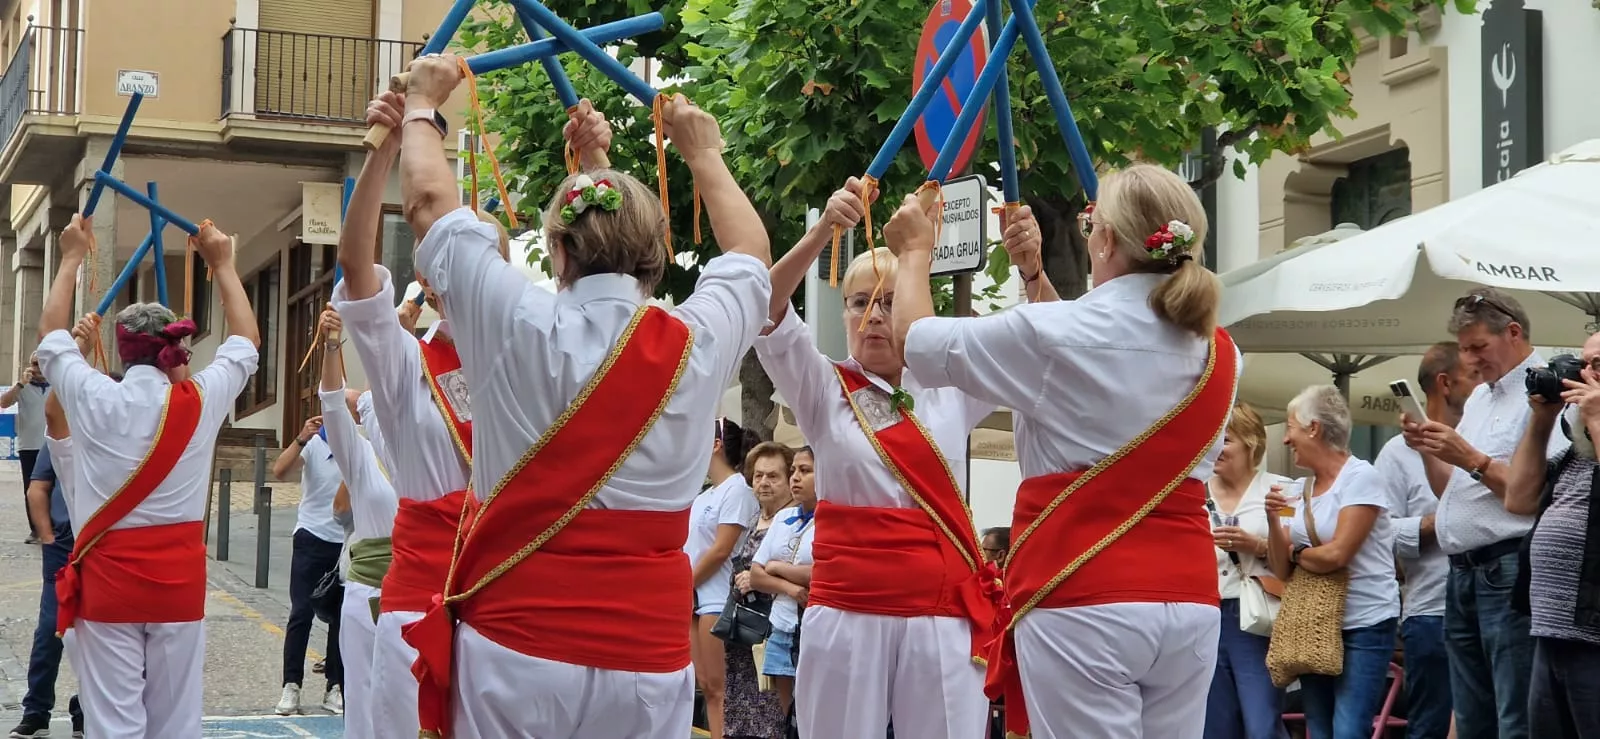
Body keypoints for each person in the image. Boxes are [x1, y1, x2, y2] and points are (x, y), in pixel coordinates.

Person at [394, 52, 772, 738]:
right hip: (648, 657)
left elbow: (426, 202)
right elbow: (750, 251)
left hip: (517, 640)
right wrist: (703, 153)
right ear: (656, 256)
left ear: (559, 255)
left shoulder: (515, 320)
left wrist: (422, 105)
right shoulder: (696, 339)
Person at [887, 164, 1239, 738]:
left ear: (1103, 239)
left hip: (1083, 587)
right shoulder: (1222, 350)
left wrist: (914, 254)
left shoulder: (1059, 332)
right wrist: (1034, 275)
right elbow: (1074, 359)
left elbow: (914, 343)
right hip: (1190, 595)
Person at [752, 178, 1007, 739]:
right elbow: (766, 309)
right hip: (847, 607)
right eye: (860, 302)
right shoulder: (823, 387)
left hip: (939, 610)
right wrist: (823, 231)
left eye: (889, 302)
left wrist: (1031, 271)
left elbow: (1041, 351)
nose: (872, 315)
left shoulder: (952, 383)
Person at [335, 85, 520, 739]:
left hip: (508, 600)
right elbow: (356, 269)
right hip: (416, 600)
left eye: (490, 261)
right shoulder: (407, 361)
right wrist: (383, 151)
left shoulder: (534, 355)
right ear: (435, 279)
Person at [39, 215, 258, 738]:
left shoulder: (95, 396)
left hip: (108, 586)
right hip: (178, 588)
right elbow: (246, 341)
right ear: (176, 352)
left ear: (119, 350)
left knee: (114, 724)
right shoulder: (198, 400)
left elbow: (50, 339)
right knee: (176, 722)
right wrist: (223, 263)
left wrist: (71, 257)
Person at [1403, 288, 1553, 739]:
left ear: (1513, 332)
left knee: (1514, 715)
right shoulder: (1482, 398)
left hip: (1507, 566)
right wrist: (1432, 448)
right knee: (1470, 717)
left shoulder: (1545, 391)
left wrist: (1469, 456)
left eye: (1477, 347)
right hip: (1465, 571)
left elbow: (1539, 491)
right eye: (1464, 349)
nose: (1468, 360)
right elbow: (1453, 492)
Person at [1264, 386, 1399, 739]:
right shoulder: (1294, 491)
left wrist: (1296, 554)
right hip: (1313, 622)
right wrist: (1272, 521)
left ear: (1313, 428)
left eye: (1290, 427)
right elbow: (1280, 570)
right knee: (1320, 729)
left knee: (1349, 729)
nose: (1285, 440)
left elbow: (1337, 555)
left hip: (1365, 622)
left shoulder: (1361, 477)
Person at [1375, 343, 1476, 739]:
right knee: (1431, 724)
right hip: (1431, 609)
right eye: (1474, 375)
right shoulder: (1396, 453)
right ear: (1446, 384)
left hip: (1489, 604)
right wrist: (1441, 522)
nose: (1485, 379)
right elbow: (1380, 534)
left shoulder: (1481, 439)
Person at [1504, 332, 1600, 739]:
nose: (1583, 375)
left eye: (1599, 366)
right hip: (1552, 632)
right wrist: (1541, 420)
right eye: (1584, 364)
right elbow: (1518, 498)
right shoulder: (1577, 457)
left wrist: (1596, 417)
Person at [312, 307, 399, 739]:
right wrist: (332, 345)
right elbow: (331, 403)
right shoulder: (362, 456)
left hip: (424, 594)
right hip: (368, 596)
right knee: (364, 711)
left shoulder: (431, 456)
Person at [9, 344, 99, 739]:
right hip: (63, 547)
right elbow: (37, 488)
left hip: (103, 549)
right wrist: (47, 535)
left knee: (98, 637)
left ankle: (84, 714)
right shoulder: (60, 437)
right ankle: (36, 712)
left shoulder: (115, 438)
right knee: (51, 630)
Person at [1203, 403, 1288, 739]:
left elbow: (1297, 555)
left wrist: (1258, 546)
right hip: (1206, 614)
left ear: (1251, 443)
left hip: (1258, 617)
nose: (1215, 450)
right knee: (1215, 726)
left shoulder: (1281, 490)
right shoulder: (1194, 492)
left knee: (1261, 724)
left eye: (1225, 441)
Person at [270, 407, 346, 715]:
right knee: (301, 612)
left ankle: (335, 687)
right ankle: (292, 686)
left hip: (345, 541)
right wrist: (302, 437)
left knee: (341, 618)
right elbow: (281, 471)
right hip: (311, 536)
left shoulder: (358, 446)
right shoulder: (314, 445)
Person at [689, 419, 759, 739]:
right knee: (703, 682)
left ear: (716, 444)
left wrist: (684, 584)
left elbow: (721, 550)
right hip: (692, 595)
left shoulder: (737, 490)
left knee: (718, 687)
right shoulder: (704, 496)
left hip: (716, 595)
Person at [724, 441, 794, 739]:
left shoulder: (793, 520)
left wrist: (756, 579)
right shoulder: (755, 518)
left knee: (771, 715)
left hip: (774, 632)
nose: (763, 482)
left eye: (773, 476)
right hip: (744, 633)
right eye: (758, 475)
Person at [747, 446, 817, 720]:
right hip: (782, 623)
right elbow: (756, 574)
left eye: (805, 471)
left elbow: (822, 573)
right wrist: (790, 587)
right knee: (788, 715)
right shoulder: (784, 517)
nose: (795, 478)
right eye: (793, 471)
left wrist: (776, 567)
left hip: (813, 626)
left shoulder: (834, 519)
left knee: (815, 713)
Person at [3, 352, 49, 543]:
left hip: (51, 444)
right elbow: (4, 402)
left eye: (40, 364)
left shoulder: (58, 386)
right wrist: (21, 384)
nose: (36, 369)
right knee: (30, 489)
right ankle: (35, 529)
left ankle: (52, 527)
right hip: (29, 445)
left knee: (53, 488)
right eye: (34, 364)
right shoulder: (23, 387)